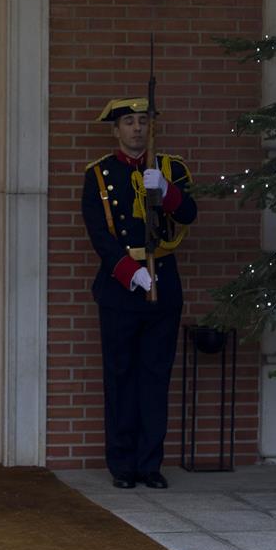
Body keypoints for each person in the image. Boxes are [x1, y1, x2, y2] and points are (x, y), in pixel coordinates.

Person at [81, 97, 196, 490]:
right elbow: (99, 234)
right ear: (116, 130)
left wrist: (165, 191)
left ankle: (150, 464)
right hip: (120, 288)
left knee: (154, 377)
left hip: (163, 284)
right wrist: (131, 274)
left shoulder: (170, 169)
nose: (136, 128)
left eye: (142, 121)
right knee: (120, 377)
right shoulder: (99, 175)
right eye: (128, 122)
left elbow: (189, 214)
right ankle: (122, 465)